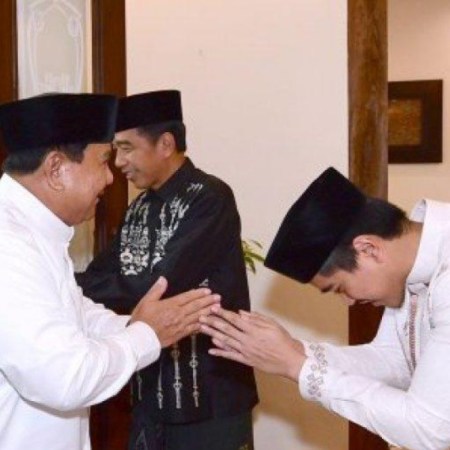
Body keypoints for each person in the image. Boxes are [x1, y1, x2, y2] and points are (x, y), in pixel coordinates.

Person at [0, 93, 220, 450]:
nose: (110, 177)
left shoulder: (33, 233)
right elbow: (66, 378)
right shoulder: (9, 245)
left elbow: (76, 313)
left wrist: (137, 324)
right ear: (56, 169)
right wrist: (146, 334)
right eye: (103, 161)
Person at [200, 166, 450, 450]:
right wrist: (293, 350)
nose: (349, 301)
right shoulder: (413, 267)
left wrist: (297, 367)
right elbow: (394, 360)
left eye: (340, 287)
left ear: (368, 249)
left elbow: (429, 428)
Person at [76, 90, 258, 450]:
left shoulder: (210, 197)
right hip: (150, 393)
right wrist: (57, 283)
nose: (119, 162)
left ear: (165, 144)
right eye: (116, 151)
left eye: (127, 148)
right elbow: (100, 275)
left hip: (209, 396)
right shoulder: (139, 208)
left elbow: (159, 285)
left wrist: (71, 286)